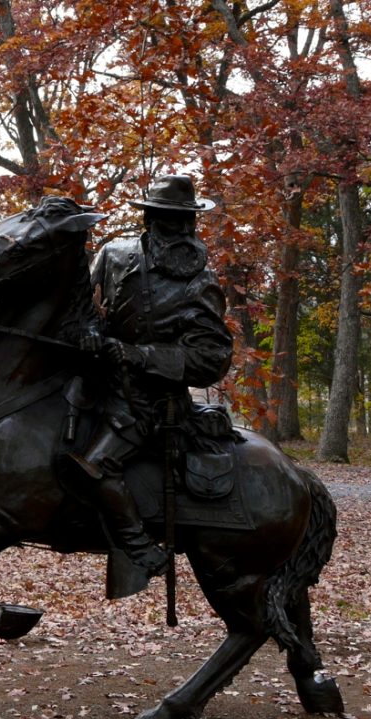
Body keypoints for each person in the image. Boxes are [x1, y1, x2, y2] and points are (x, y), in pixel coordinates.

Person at [73, 174, 234, 578]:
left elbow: (211, 359)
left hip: (148, 404)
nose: (177, 229)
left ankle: (140, 548)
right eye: (165, 219)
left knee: (98, 465)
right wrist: (91, 334)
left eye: (183, 220)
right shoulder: (113, 255)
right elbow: (84, 309)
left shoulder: (202, 283)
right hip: (96, 383)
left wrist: (137, 355)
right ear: (149, 218)